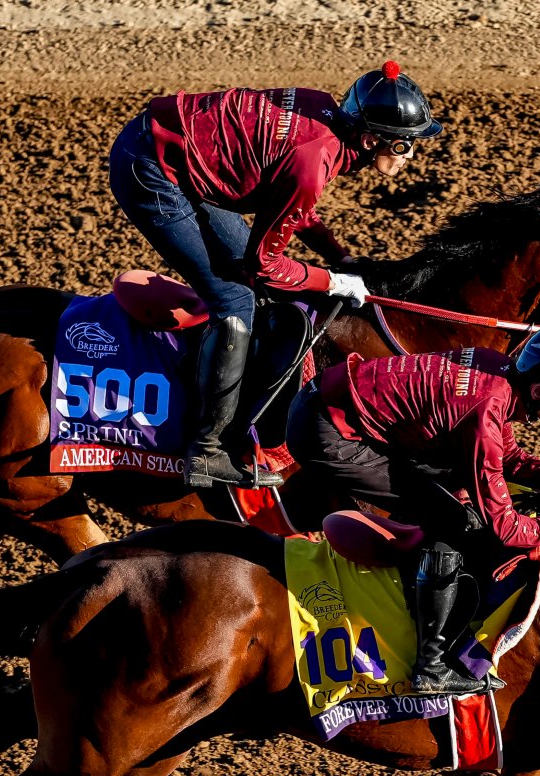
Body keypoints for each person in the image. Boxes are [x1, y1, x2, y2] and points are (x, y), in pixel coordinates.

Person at [107, 62, 442, 490]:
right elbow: (264, 264)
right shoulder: (313, 160)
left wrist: (339, 256)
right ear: (370, 138)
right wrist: (333, 281)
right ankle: (206, 450)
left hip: (180, 153)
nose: (410, 156)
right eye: (404, 146)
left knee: (250, 277)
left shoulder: (324, 111)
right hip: (150, 169)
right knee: (236, 299)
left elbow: (287, 193)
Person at [286, 327, 540, 696]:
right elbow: (506, 529)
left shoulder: (498, 368)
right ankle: (431, 667)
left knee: (455, 491)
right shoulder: (484, 410)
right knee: (453, 520)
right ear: (538, 391)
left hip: (336, 403)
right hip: (325, 434)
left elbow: (508, 455)